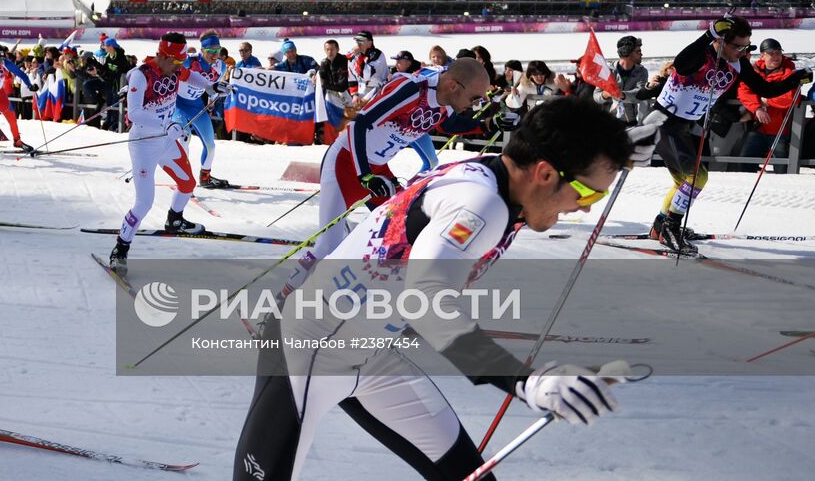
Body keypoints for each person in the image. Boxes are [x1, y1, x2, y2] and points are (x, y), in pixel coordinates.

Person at [235, 96, 645, 481]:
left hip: (372, 360)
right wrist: (523, 382)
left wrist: (622, 146)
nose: (588, 206)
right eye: (589, 192)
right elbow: (427, 301)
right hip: (306, 349)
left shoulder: (500, 176)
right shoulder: (478, 205)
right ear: (544, 172)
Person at [273, 59, 505, 306]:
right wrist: (365, 175)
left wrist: (486, 125)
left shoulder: (446, 97)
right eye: (475, 98)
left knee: (406, 236)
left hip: (377, 168)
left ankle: (392, 308)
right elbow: (358, 125)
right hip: (347, 162)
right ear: (454, 86)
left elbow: (448, 123)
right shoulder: (412, 90)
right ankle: (280, 303)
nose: (476, 104)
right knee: (328, 245)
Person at [636, 16, 810, 253]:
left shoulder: (738, 64)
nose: (743, 51)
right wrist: (709, 33)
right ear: (720, 42)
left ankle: (661, 224)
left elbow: (766, 89)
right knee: (697, 178)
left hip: (684, 127)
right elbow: (682, 62)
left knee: (682, 182)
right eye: (738, 46)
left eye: (747, 46)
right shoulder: (702, 55)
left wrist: (795, 78)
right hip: (663, 123)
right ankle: (670, 228)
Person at [110, 32, 226, 269]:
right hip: (144, 143)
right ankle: (120, 248)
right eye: (175, 62)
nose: (178, 68)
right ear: (162, 56)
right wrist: (167, 124)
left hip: (167, 139)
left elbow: (191, 76)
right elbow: (134, 114)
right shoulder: (142, 76)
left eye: (180, 63)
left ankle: (174, 219)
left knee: (188, 183)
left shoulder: (175, 67)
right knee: (144, 203)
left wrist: (211, 86)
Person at [171, 32, 230, 189]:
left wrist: (221, 90)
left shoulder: (221, 67)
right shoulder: (189, 61)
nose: (214, 55)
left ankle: (205, 177)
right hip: (178, 104)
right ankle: (183, 179)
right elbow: (166, 71)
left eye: (217, 50)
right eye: (210, 51)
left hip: (196, 105)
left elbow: (212, 90)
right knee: (184, 138)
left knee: (211, 146)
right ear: (202, 50)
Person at [736, 38, 798, 171]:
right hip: (758, 127)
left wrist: (767, 100)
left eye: (778, 53)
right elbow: (743, 91)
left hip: (780, 130)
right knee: (745, 162)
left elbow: (790, 97)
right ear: (762, 55)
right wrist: (757, 107)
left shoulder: (789, 70)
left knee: (782, 168)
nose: (776, 56)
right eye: (771, 53)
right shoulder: (754, 69)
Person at [598, 36, 648, 125]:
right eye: (638, 52)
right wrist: (605, 94)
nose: (641, 54)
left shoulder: (642, 71)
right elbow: (596, 96)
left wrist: (622, 95)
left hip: (630, 122)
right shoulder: (607, 70)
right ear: (628, 53)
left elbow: (640, 93)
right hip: (607, 122)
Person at [317, 40, 351, 145]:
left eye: (332, 49)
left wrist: (324, 83)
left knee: (349, 122)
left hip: (348, 98)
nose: (330, 52)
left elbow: (342, 86)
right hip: (333, 99)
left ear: (338, 49)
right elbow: (320, 76)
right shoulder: (324, 62)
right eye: (327, 49)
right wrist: (315, 77)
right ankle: (331, 141)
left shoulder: (344, 61)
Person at [347, 30, 389, 104]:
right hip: (361, 91)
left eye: (361, 41)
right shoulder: (354, 55)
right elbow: (351, 76)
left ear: (369, 43)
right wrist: (355, 94)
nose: (358, 44)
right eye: (357, 41)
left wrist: (358, 57)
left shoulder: (378, 55)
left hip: (379, 91)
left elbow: (366, 75)